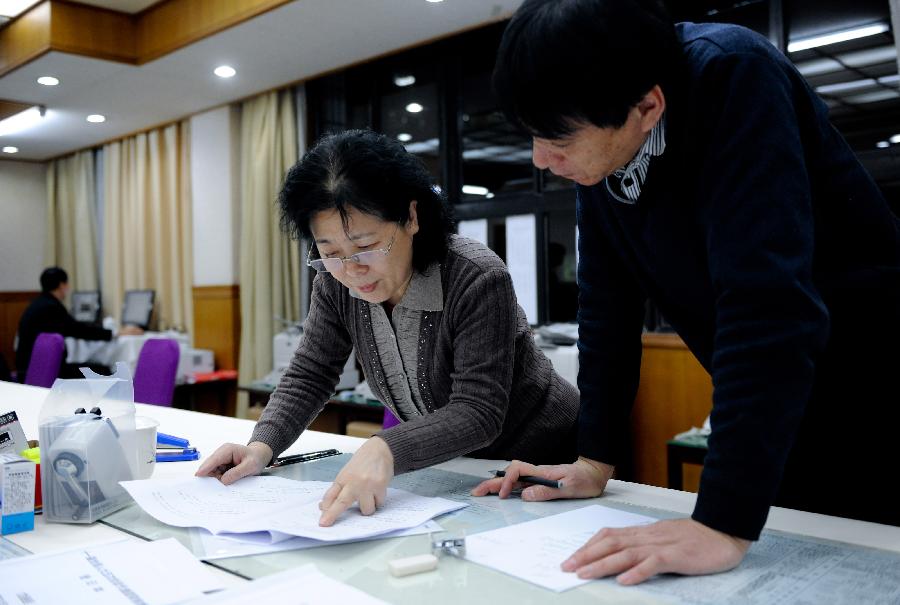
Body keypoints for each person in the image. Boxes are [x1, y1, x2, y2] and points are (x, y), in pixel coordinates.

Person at [473, 0, 900, 586]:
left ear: (648, 105)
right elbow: (605, 306)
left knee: (862, 567)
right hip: (785, 404)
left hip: (875, 384)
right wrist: (594, 458)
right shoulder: (604, 145)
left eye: (558, 139)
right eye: (532, 137)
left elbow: (766, 305)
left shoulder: (734, 75)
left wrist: (721, 520)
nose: (541, 161)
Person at [197, 129, 579, 526]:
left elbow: (479, 410)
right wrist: (262, 446)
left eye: (365, 246)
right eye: (330, 253)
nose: (351, 269)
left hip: (545, 454)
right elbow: (312, 372)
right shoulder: (334, 282)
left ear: (411, 217)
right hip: (460, 466)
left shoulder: (476, 276)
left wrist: (385, 448)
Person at [15, 267, 143, 380]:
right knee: (104, 371)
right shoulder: (51, 307)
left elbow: (75, 328)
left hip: (30, 367)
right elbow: (79, 330)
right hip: (42, 371)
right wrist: (117, 333)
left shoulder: (38, 304)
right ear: (62, 285)